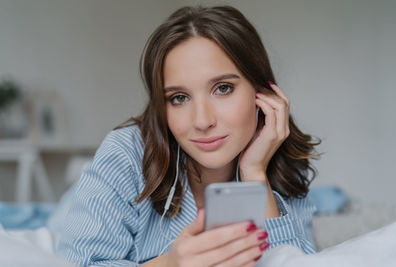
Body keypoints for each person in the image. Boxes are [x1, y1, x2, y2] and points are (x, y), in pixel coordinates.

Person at [56, 5, 321, 267]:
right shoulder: (125, 153)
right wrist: (169, 264)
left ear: (261, 92)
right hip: (92, 200)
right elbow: (76, 262)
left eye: (223, 88)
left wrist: (255, 173)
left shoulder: (283, 167)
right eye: (179, 98)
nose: (203, 121)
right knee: (59, 218)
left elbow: (294, 261)